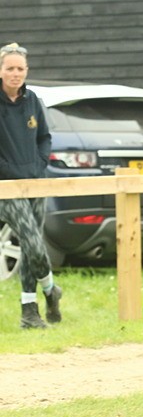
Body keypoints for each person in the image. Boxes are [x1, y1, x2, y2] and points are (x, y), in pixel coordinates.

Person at [0, 42, 62, 328]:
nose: (15, 73)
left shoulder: (33, 99)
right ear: (1, 70)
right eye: (10, 68)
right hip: (6, 187)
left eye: (20, 69)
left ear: (26, 71)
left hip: (36, 182)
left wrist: (39, 164)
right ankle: (50, 289)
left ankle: (29, 312)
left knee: (30, 244)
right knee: (33, 242)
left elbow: (45, 137)